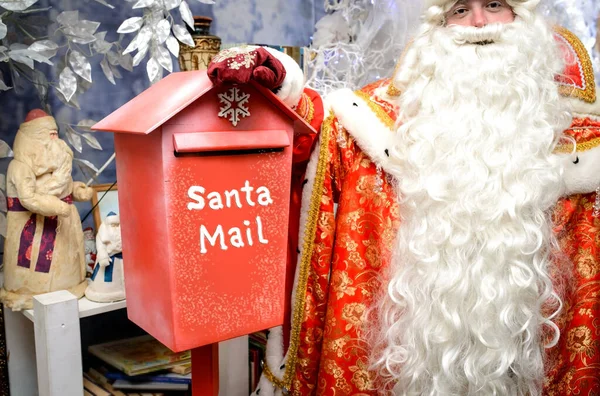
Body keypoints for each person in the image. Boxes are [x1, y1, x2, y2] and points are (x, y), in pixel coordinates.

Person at [209, 0, 582, 394]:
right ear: (437, 25)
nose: (477, 23)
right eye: (459, 10)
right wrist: (279, 82)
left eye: (494, 5)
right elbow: (315, 131)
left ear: (522, 16)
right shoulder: (384, 121)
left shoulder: (581, 144)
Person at [0, 109, 93, 311]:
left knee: (65, 269)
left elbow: (63, 187)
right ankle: (35, 291)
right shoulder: (20, 167)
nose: (55, 140)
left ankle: (68, 284)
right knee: (37, 274)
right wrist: (59, 207)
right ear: (35, 138)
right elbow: (29, 198)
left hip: (65, 230)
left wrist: (78, 190)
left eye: (56, 134)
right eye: (50, 135)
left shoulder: (57, 164)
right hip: (35, 232)